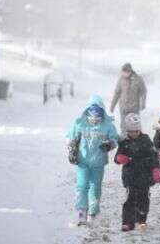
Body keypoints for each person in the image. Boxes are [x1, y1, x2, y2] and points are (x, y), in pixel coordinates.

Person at [66, 95, 118, 226]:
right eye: (92, 118)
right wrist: (71, 148)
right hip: (82, 161)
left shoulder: (108, 125)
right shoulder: (80, 123)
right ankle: (82, 211)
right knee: (82, 186)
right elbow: (70, 137)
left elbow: (115, 139)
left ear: (102, 114)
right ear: (87, 113)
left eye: (97, 119)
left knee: (95, 188)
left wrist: (110, 144)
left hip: (98, 163)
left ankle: (93, 212)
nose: (94, 121)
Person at [114, 113, 160, 232]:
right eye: (131, 131)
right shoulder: (124, 142)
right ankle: (127, 222)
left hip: (145, 176)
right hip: (130, 176)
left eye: (136, 130)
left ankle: (141, 220)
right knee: (130, 199)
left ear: (139, 129)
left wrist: (156, 169)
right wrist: (120, 158)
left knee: (143, 199)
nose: (134, 133)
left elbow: (154, 155)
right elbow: (117, 157)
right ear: (127, 130)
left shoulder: (146, 140)